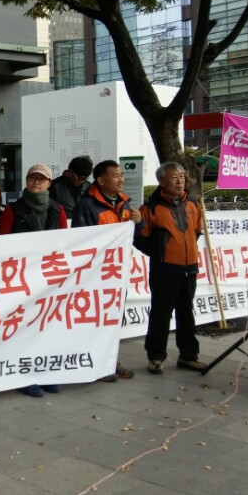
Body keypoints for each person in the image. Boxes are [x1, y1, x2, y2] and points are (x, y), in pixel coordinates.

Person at [0, 163, 65, 398]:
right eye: (33, 177)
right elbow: (0, 243)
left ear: (49, 183)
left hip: (48, 278)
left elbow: (66, 242)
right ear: (26, 181)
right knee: (24, 327)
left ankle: (46, 372)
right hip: (21, 279)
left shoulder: (57, 209)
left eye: (42, 179)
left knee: (47, 326)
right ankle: (24, 375)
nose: (36, 182)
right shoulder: (13, 210)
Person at [71, 160, 140, 382]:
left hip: (118, 274)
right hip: (96, 276)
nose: (121, 179)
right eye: (115, 175)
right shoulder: (87, 206)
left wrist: (139, 222)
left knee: (114, 320)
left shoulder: (125, 205)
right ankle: (95, 364)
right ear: (101, 180)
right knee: (96, 321)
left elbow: (136, 238)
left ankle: (110, 362)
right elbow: (81, 242)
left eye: (122, 175)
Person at [133, 161, 205, 375]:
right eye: (174, 177)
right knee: (161, 314)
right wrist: (161, 253)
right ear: (162, 181)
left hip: (189, 268)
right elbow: (140, 239)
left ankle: (188, 356)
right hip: (164, 270)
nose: (179, 181)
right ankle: (156, 357)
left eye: (181, 177)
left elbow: (196, 232)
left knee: (186, 313)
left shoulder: (192, 204)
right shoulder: (150, 208)